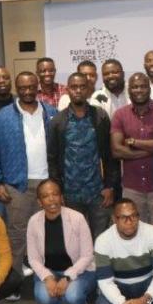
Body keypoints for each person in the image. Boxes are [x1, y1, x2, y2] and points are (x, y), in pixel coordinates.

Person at [0, 71, 57, 272]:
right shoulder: (3, 117)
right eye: (23, 88)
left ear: (37, 88)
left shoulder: (51, 113)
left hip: (48, 184)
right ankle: (14, 279)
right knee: (17, 234)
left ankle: (44, 276)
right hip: (17, 184)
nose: (27, 91)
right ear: (17, 89)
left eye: (31, 87)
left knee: (46, 232)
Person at [47, 72, 119, 239]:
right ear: (68, 90)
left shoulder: (100, 116)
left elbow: (109, 156)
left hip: (98, 193)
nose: (78, 90)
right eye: (74, 87)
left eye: (82, 87)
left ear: (88, 89)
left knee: (101, 238)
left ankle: (100, 266)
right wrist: (58, 191)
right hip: (70, 193)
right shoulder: (58, 121)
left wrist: (109, 186)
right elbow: (52, 159)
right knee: (74, 238)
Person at [110, 72, 153, 228]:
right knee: (135, 233)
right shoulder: (120, 115)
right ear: (129, 90)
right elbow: (116, 151)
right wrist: (152, 149)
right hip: (132, 189)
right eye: (134, 87)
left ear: (149, 89)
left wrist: (134, 142)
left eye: (142, 86)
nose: (138, 90)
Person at [26, 180, 96, 304]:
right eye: (46, 196)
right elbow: (33, 258)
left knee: (73, 295)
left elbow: (87, 255)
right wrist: (47, 277)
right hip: (50, 270)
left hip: (79, 270)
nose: (51, 199)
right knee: (42, 297)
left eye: (55, 194)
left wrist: (67, 277)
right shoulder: (33, 221)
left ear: (61, 197)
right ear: (39, 202)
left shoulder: (77, 218)